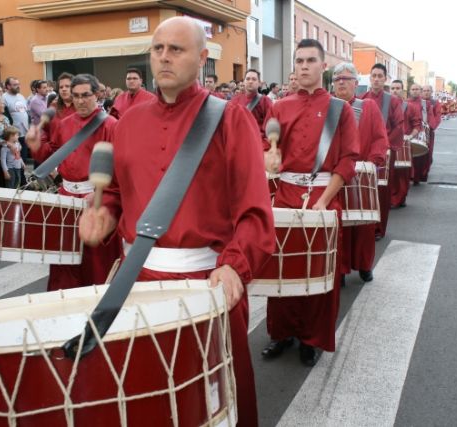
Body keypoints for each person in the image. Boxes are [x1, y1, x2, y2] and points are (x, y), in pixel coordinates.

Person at [77, 17, 274, 427]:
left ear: (202, 57)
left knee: (216, 400)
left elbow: (255, 211)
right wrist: (103, 216)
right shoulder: (127, 123)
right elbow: (115, 193)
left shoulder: (231, 119)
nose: (164, 57)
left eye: (176, 49)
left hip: (207, 281)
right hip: (137, 281)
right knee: (145, 395)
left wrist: (235, 265)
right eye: (157, 48)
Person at [262, 39, 358, 367]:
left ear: (323, 66)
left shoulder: (340, 109)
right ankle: (282, 333)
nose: (304, 66)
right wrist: (268, 158)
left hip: (323, 199)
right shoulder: (279, 107)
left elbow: (347, 160)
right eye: (299, 60)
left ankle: (311, 338)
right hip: (286, 197)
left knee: (318, 274)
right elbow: (267, 152)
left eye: (310, 60)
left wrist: (325, 200)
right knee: (282, 272)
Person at [26, 73, 121, 292]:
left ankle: (97, 303)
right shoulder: (64, 123)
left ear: (97, 95)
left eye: (85, 95)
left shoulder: (111, 125)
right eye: (76, 96)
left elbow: (120, 168)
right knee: (65, 258)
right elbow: (54, 157)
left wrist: (102, 193)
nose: (80, 101)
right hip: (67, 196)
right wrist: (36, 146)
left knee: (96, 261)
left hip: (96, 199)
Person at [333, 62, 388, 282]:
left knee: (364, 226)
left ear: (356, 83)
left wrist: (371, 164)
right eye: (337, 79)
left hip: (361, 174)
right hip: (335, 177)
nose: (341, 83)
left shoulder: (368, 107)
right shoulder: (328, 107)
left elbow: (379, 138)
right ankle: (341, 269)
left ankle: (364, 265)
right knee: (340, 225)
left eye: (346, 79)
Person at [361, 64, 404, 239]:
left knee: (382, 189)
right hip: (365, 151)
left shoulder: (392, 100)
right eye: (374, 76)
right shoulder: (362, 98)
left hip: (385, 151)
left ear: (385, 78)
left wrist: (384, 145)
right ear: (370, 78)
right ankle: (365, 225)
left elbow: (399, 126)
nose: (377, 79)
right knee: (366, 188)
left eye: (380, 76)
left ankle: (379, 228)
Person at [390, 80, 421, 208]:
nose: (395, 90)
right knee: (390, 174)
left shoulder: (410, 107)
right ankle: (390, 199)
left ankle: (399, 199)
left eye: (398, 88)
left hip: (404, 144)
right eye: (393, 88)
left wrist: (410, 136)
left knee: (403, 175)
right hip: (389, 143)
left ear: (402, 90)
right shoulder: (386, 105)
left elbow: (417, 125)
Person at [2, 76, 29, 160]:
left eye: (18, 84)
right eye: (15, 84)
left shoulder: (21, 96)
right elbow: (5, 116)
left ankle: (22, 173)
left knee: (23, 157)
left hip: (24, 132)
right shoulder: (4, 97)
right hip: (13, 134)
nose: (18, 86)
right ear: (8, 86)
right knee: (15, 158)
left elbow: (25, 112)